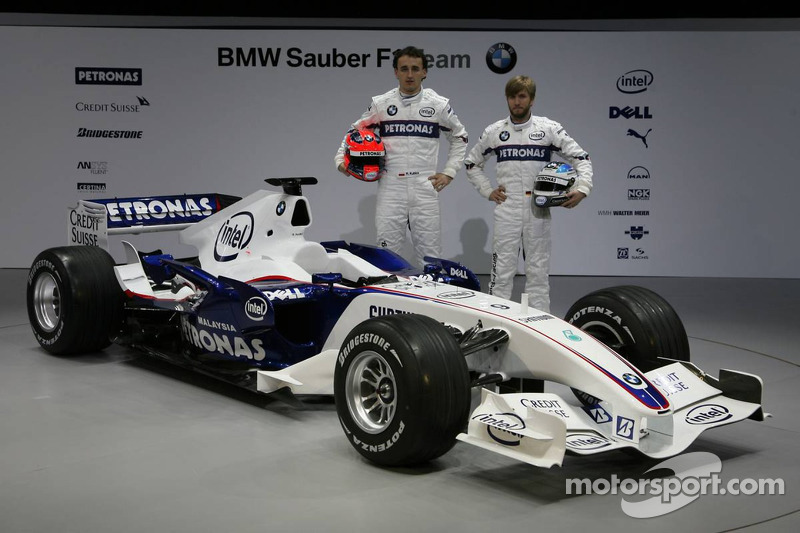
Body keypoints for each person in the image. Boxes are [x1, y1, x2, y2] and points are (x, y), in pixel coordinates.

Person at [464, 75, 593, 312]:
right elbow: (472, 163)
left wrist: (582, 188)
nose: (517, 102)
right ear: (507, 99)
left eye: (522, 96)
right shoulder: (495, 131)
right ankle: (496, 321)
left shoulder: (548, 129)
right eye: (512, 96)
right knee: (501, 275)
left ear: (531, 99)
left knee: (538, 275)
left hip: (538, 209)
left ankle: (540, 326)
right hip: (508, 207)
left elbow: (582, 158)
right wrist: (488, 191)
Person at [335, 46, 469, 268]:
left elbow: (460, 137)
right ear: (395, 72)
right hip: (391, 186)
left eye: (415, 69)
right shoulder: (382, 103)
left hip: (425, 186)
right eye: (404, 69)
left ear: (424, 72)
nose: (409, 74)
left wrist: (449, 172)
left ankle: (431, 301)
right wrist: (341, 161)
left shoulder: (438, 104)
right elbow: (354, 131)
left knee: (431, 256)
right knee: (387, 254)